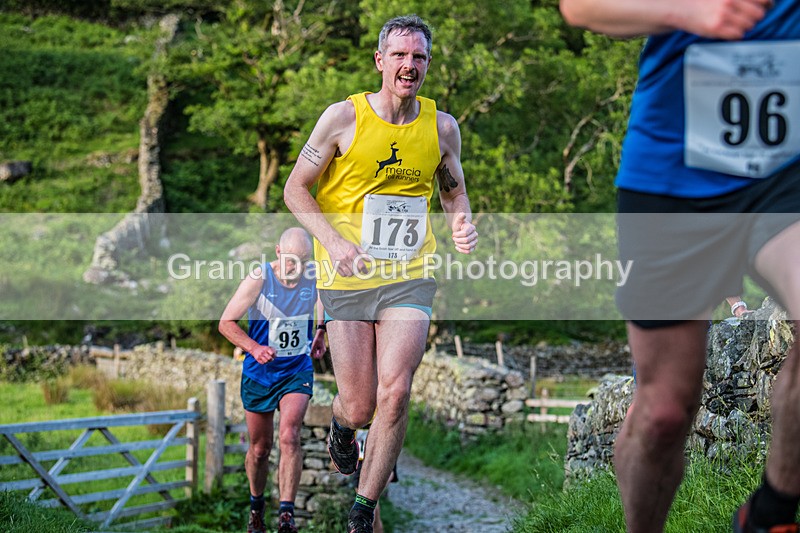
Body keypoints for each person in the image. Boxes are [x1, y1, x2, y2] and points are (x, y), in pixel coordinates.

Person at [559, 1, 800, 532]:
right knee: (665, 413)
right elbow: (579, 8)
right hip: (673, 172)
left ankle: (771, 514)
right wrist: (688, 10)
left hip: (784, 168)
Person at [283, 14, 478, 533]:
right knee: (360, 403)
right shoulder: (342, 118)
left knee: (397, 389)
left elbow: (453, 191)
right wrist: (334, 243)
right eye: (399, 55)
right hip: (347, 274)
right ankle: (343, 426)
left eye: (419, 57)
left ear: (428, 64)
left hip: (409, 273)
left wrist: (461, 223)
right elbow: (295, 189)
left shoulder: (441, 127)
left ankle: (362, 509)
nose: (409, 65)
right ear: (379, 60)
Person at [219, 227, 327, 533]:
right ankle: (256, 507)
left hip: (296, 369)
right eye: (292, 261)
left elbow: (324, 298)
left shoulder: (313, 274)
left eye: (304, 261)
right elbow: (225, 323)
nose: (298, 268)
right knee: (260, 448)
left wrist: (321, 330)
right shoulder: (259, 278)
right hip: (260, 373)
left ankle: (286, 516)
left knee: (290, 435)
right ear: (278, 252)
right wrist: (254, 348)